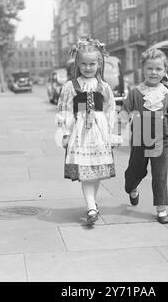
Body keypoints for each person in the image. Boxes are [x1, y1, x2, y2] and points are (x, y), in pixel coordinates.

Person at [55, 37, 122, 225]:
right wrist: (66, 133)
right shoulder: (71, 87)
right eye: (83, 64)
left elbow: (110, 109)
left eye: (92, 63)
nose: (88, 67)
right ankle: (91, 207)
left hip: (99, 133)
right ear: (77, 63)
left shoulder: (104, 87)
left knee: (96, 171)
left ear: (99, 64)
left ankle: (93, 202)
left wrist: (110, 133)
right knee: (86, 171)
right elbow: (65, 110)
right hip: (81, 133)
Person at [122, 48, 168, 224]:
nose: (154, 72)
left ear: (164, 71)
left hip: (162, 141)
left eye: (158, 69)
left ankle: (161, 208)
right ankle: (132, 188)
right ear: (143, 70)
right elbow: (124, 112)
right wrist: (116, 132)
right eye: (150, 68)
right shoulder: (136, 93)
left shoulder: (167, 95)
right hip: (140, 139)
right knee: (135, 171)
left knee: (160, 174)